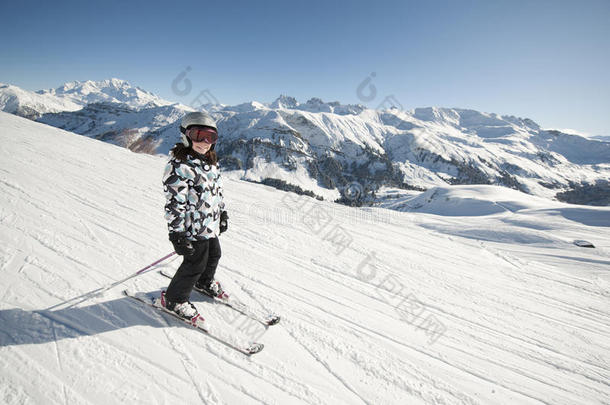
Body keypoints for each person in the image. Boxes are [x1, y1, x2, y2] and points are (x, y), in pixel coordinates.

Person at [157, 111, 229, 321]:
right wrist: (176, 234)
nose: (204, 142)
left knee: (214, 254)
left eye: (210, 137)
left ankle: (204, 282)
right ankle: (174, 299)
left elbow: (217, 192)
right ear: (186, 135)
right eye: (198, 135)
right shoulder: (179, 166)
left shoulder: (210, 162)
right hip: (191, 228)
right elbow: (174, 203)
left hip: (209, 224)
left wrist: (222, 213)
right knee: (195, 262)